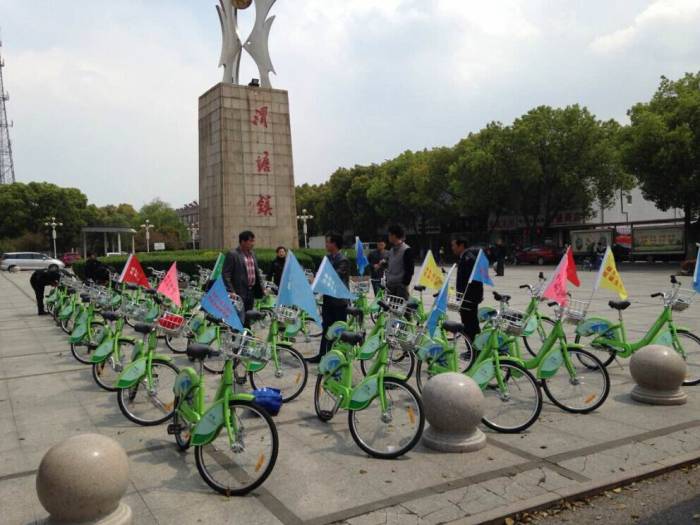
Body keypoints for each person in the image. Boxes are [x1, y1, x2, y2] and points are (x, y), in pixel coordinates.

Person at [308, 232, 349, 363]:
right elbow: (320, 272)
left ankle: (341, 356)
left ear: (334, 244)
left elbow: (334, 276)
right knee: (326, 328)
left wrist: (318, 279)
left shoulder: (343, 260)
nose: (326, 244)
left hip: (339, 301)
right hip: (328, 299)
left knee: (339, 329)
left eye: (328, 242)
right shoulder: (327, 258)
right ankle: (322, 355)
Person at [222, 230, 264, 326]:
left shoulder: (253, 254)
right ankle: (237, 334)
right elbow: (226, 274)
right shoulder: (233, 254)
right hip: (238, 292)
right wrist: (231, 290)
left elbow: (256, 272)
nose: (253, 243)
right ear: (243, 241)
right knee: (238, 317)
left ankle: (247, 333)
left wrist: (261, 286)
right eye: (250, 241)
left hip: (251, 292)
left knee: (248, 316)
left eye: (253, 241)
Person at [452, 238, 484, 342]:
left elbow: (474, 280)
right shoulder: (466, 257)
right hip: (468, 297)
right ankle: (474, 347)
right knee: (471, 324)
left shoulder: (468, 258)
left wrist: (465, 298)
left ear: (461, 245)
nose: (452, 248)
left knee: (470, 325)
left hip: (469, 298)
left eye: (454, 245)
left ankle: (473, 348)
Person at [384, 225, 415, 300]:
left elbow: (410, 270)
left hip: (400, 287)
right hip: (390, 286)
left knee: (400, 307)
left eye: (389, 235)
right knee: (390, 307)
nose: (388, 237)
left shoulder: (406, 250)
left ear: (394, 236)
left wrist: (404, 284)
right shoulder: (391, 250)